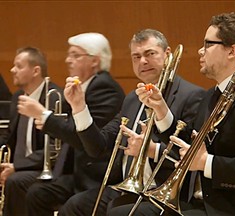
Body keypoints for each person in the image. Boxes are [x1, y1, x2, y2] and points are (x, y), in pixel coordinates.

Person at [132, 12, 235, 216]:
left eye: (208, 44)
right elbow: (193, 144)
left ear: (232, 51)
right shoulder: (212, 95)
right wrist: (161, 109)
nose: (200, 51)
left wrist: (207, 164)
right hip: (200, 203)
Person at [61, 28, 205, 215]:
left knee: (117, 212)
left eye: (150, 54)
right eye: (136, 57)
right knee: (74, 206)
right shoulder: (132, 99)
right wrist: (79, 107)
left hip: (163, 192)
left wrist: (151, 150)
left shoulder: (192, 95)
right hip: (129, 188)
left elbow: (189, 156)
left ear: (167, 54)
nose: (142, 61)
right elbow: (97, 147)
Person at [18, 32, 125, 216]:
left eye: (75, 55)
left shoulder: (105, 88)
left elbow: (85, 138)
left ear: (94, 60)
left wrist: (43, 115)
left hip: (96, 176)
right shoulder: (82, 86)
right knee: (37, 193)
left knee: (62, 201)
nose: (68, 60)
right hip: (76, 172)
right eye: (69, 55)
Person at [0, 47, 63, 216]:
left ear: (36, 70)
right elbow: (8, 136)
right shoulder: (18, 96)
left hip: (42, 168)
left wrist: (16, 167)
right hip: (18, 166)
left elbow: (54, 148)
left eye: (19, 66)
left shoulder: (55, 97)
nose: (13, 70)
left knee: (14, 181)